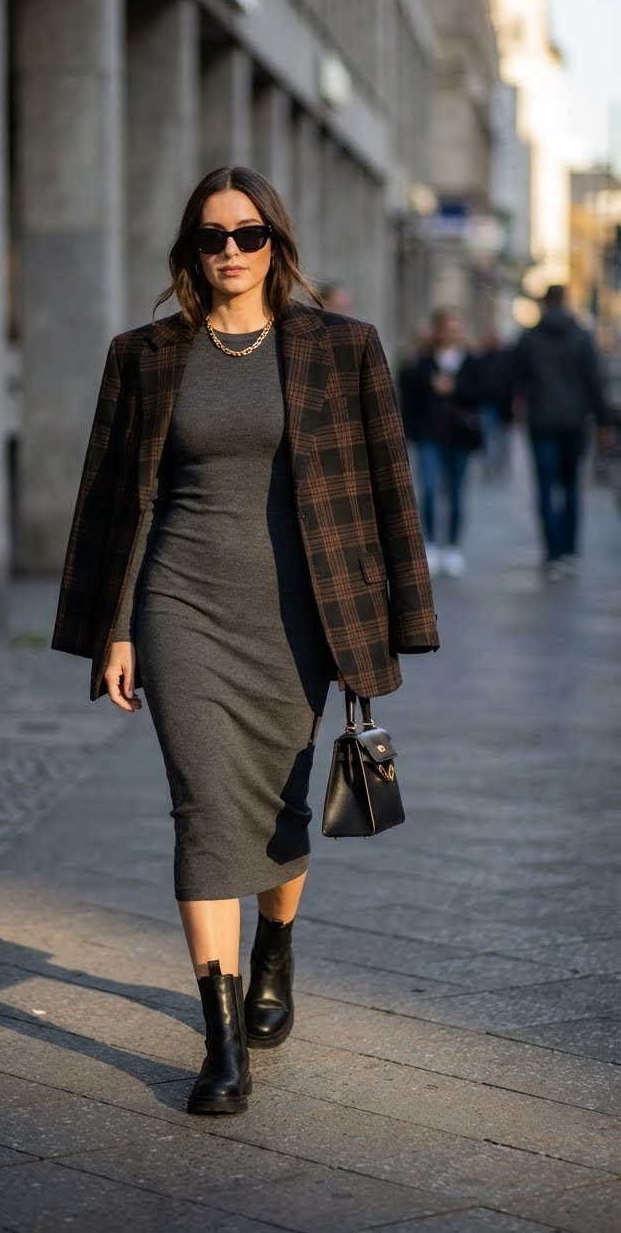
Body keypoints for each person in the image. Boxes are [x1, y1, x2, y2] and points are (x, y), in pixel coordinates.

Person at [52, 166, 438, 1116]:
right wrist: (114, 629)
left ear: (277, 243)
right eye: (211, 237)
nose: (229, 251)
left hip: (298, 615)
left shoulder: (343, 349)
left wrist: (400, 621)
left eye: (247, 234)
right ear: (190, 249)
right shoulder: (144, 355)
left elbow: (391, 487)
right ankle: (221, 1039)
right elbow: (111, 499)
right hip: (179, 605)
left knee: (280, 811)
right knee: (202, 806)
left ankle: (275, 946)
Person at [513, 284, 610, 580]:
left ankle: (552, 553)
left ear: (544, 303)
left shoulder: (529, 338)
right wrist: (604, 421)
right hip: (574, 421)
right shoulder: (581, 337)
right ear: (565, 302)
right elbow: (595, 381)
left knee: (545, 487)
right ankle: (569, 551)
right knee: (570, 486)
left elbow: (516, 378)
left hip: (542, 421)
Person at [403, 309, 483, 576]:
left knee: (457, 492)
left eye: (456, 328)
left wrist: (454, 388)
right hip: (430, 435)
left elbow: (480, 395)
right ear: (438, 331)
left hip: (459, 438)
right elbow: (410, 396)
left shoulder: (470, 361)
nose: (452, 332)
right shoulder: (423, 361)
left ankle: (453, 547)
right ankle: (430, 544)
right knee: (429, 489)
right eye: (448, 327)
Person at [476, 326, 514, 479]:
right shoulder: (480, 359)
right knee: (487, 437)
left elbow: (510, 384)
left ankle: (499, 465)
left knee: (501, 438)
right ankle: (489, 466)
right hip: (486, 404)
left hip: (502, 405)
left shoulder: (506, 359)